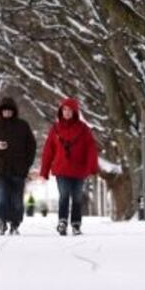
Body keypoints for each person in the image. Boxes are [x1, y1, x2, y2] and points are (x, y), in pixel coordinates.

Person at [40, 97, 99, 236]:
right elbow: (48, 151)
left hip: (79, 170)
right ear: (61, 111)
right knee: (64, 196)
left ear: (75, 112)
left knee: (77, 198)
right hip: (61, 169)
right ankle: (62, 222)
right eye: (64, 110)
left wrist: (92, 167)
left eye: (70, 110)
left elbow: (91, 148)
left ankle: (76, 224)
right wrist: (44, 171)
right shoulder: (55, 128)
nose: (67, 112)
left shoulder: (83, 129)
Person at [0, 96, 37, 235]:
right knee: (1, 198)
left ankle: (15, 224)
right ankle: (2, 222)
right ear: (1, 111)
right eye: (4, 111)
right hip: (0, 169)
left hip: (19, 170)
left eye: (9, 110)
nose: (7, 113)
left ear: (14, 111)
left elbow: (32, 146)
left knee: (16, 200)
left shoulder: (23, 125)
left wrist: (27, 164)